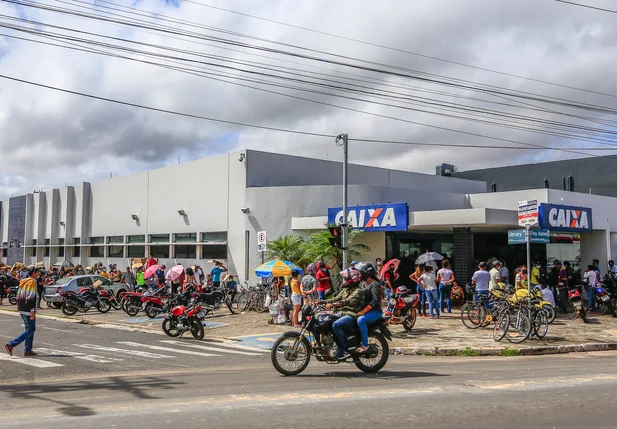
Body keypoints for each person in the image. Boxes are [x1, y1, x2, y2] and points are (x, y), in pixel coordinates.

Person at [325, 268, 366, 360]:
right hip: (342, 313)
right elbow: (336, 298)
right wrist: (322, 302)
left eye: (346, 279)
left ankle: (344, 350)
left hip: (352, 315)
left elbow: (346, 301)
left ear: (352, 280)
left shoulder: (358, 291)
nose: (345, 281)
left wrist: (332, 305)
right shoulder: (346, 290)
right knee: (326, 320)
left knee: (336, 325)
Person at [5, 267, 41, 357]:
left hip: (22, 308)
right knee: (31, 329)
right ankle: (11, 344)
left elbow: (19, 294)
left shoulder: (23, 281)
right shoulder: (32, 282)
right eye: (38, 273)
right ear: (34, 272)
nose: (38, 274)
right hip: (28, 309)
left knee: (28, 329)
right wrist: (32, 311)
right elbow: (30, 297)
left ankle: (28, 349)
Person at [354, 262, 383, 354]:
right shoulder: (363, 284)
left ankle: (365, 345)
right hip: (365, 310)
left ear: (367, 273)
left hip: (375, 311)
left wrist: (363, 311)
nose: (360, 274)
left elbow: (375, 300)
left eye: (361, 272)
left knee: (361, 320)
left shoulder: (375, 284)